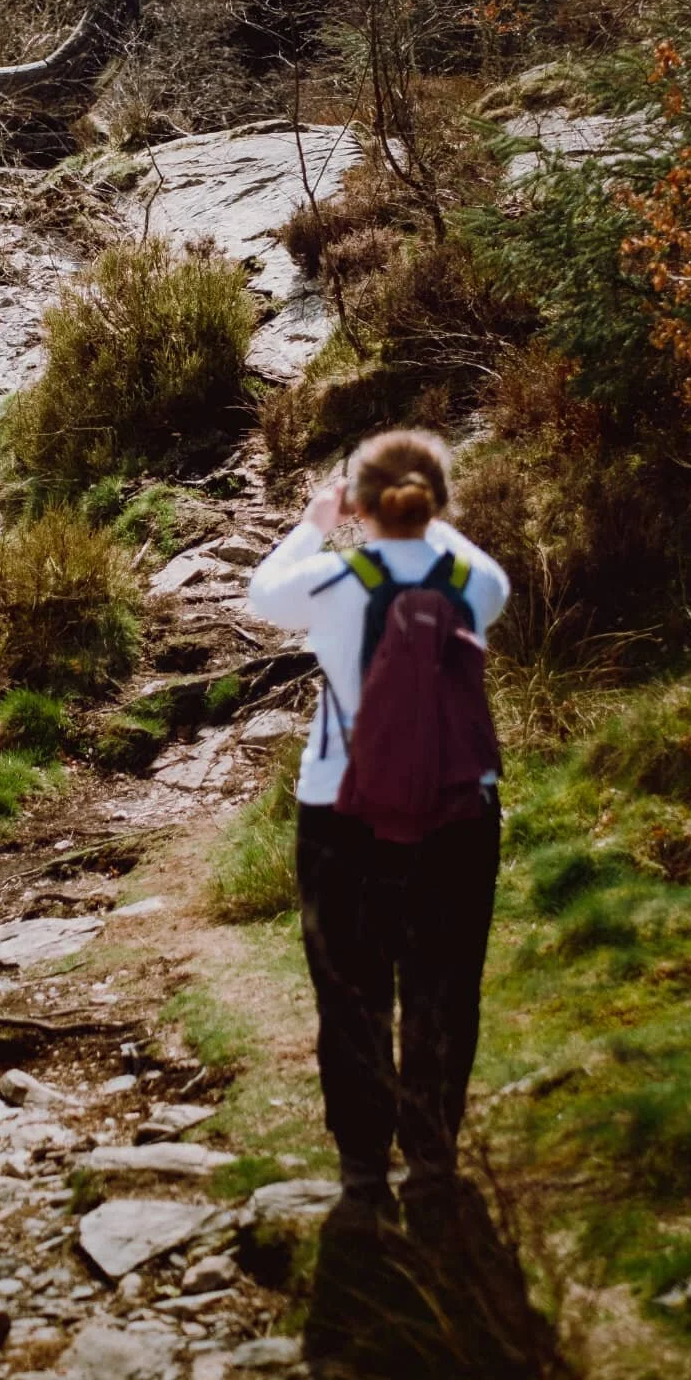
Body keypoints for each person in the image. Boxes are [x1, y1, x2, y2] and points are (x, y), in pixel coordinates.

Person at [247, 429, 510, 1221]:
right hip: (459, 810)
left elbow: (262, 593)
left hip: (340, 807)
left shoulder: (327, 582)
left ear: (361, 505)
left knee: (351, 991)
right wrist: (428, 517)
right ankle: (431, 1159)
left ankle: (363, 1168)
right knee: (444, 985)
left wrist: (316, 519)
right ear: (437, 502)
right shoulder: (476, 579)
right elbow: (467, 558)